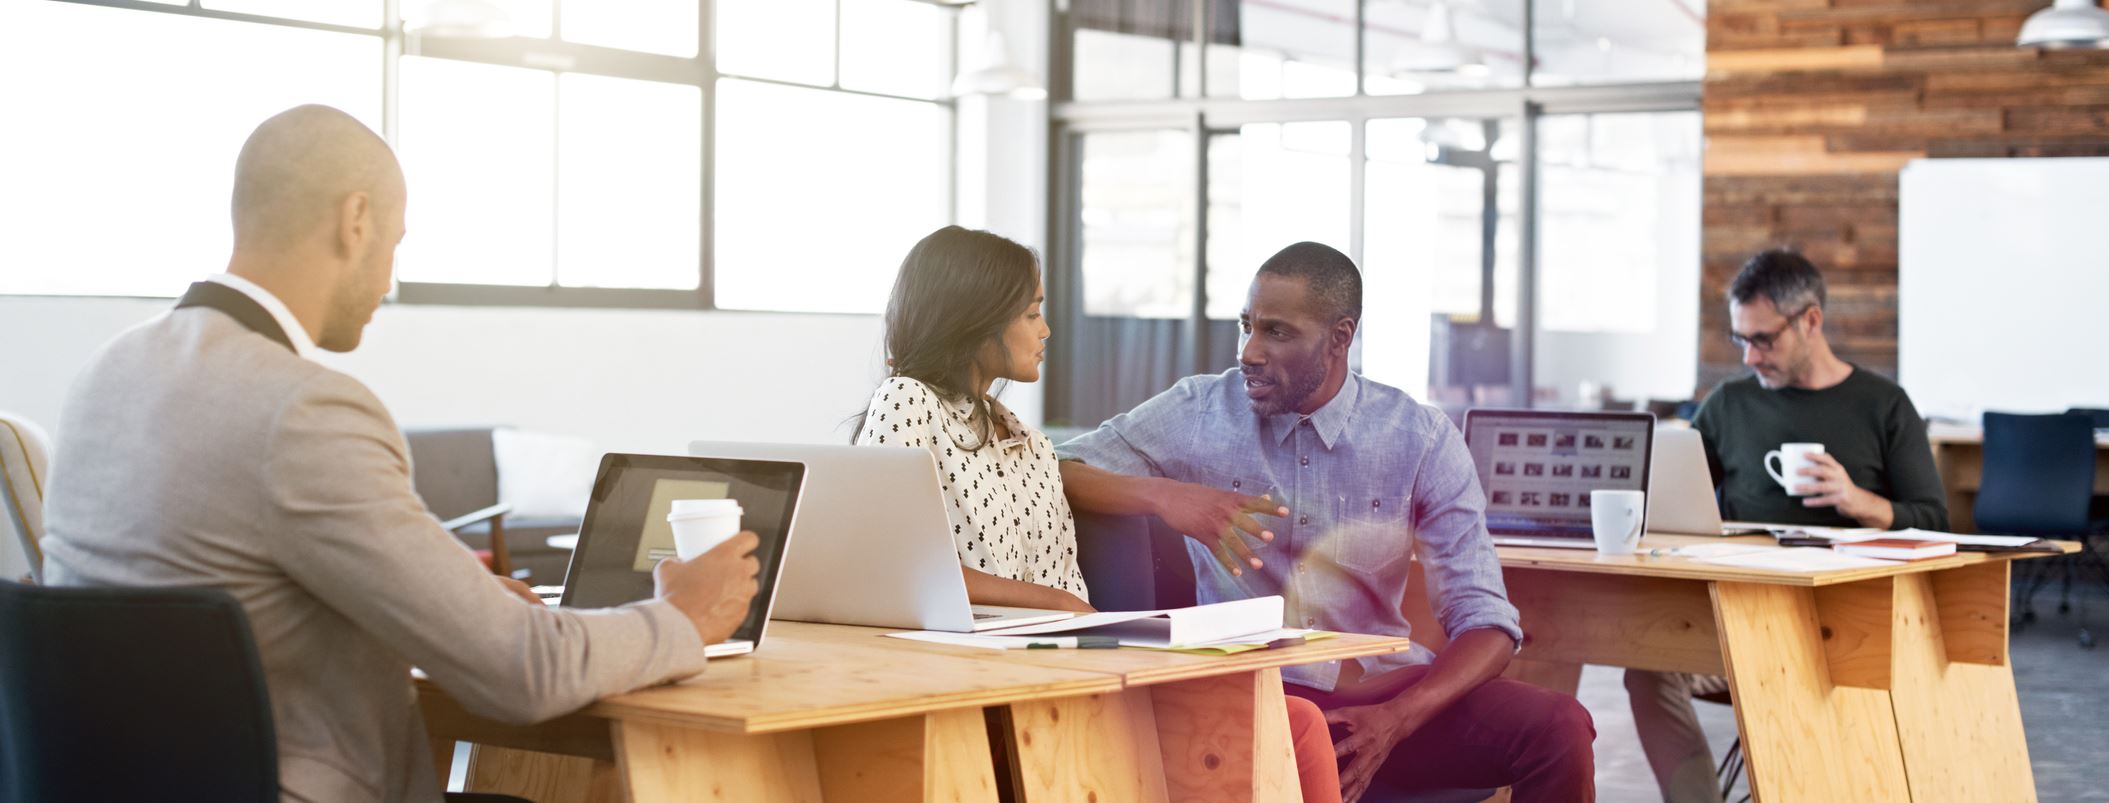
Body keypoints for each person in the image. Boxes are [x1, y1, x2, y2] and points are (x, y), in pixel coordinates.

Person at [38, 105, 761, 803]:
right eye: (396, 242)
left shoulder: (105, 374)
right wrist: (681, 616)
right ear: (356, 221)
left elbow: (228, 598)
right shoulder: (304, 409)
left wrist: (455, 602)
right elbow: (523, 670)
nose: (389, 277)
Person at [1056, 242, 1596, 803]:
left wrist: (1397, 720)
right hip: (1258, 697)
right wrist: (1168, 497)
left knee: (1558, 725)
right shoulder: (1199, 410)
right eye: (1247, 327)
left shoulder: (1421, 438)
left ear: (1340, 337)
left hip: (1387, 697)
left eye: (1277, 332)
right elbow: (1056, 466)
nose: (1249, 351)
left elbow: (1487, 622)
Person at [854, 226, 1343, 803]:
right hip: (967, 682)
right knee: (1292, 725)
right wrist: (1062, 608)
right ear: (977, 316)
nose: (1046, 330)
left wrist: (1090, 625)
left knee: (1297, 720)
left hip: (1063, 669)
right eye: (1032, 312)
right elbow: (891, 573)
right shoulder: (906, 402)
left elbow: (1064, 588)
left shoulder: (1030, 447)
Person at [1624, 248, 1948, 803]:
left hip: (1844, 631)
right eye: (1740, 339)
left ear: (1811, 322)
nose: (1750, 356)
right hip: (1737, 620)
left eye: (1764, 339)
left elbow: (1935, 522)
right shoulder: (1730, 403)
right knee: (1648, 670)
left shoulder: (1885, 405)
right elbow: (1675, 495)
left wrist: (1860, 502)